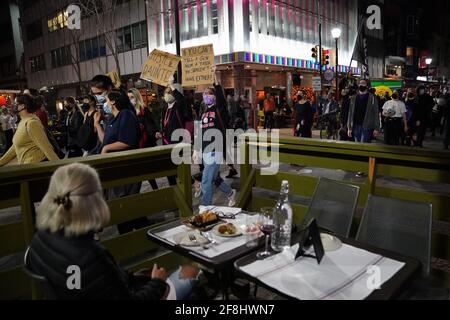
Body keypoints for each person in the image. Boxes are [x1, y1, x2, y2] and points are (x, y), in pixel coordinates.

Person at [26, 162, 201, 300]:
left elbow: (87, 284)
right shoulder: (88, 256)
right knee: (190, 272)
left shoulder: (40, 238)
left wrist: (126, 278)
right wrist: (157, 282)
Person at [94, 90, 146, 234]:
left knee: (125, 206)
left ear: (114, 102)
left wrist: (106, 149)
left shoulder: (126, 115)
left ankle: (131, 238)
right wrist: (97, 125)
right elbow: (105, 140)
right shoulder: (112, 118)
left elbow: (127, 141)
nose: (105, 103)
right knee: (126, 207)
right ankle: (141, 234)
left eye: (106, 100)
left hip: (127, 167)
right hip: (116, 170)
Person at [193, 66, 236, 207]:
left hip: (216, 148)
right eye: (204, 94)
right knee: (214, 178)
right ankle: (230, 193)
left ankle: (206, 209)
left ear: (214, 97)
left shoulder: (219, 109)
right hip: (205, 150)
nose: (206, 96)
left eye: (209, 94)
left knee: (205, 180)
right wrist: (195, 150)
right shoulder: (203, 113)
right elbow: (199, 132)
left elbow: (221, 97)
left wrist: (215, 77)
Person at [0, 94, 59, 166]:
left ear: (23, 106)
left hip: (35, 167)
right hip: (26, 167)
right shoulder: (22, 121)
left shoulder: (32, 123)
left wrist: (60, 169)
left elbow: (47, 148)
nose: (13, 105)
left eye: (16, 103)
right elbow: (15, 147)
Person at [156, 77, 189, 186]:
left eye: (169, 92)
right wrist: (160, 132)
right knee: (169, 169)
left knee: (179, 169)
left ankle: (192, 183)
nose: (167, 95)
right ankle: (174, 189)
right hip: (166, 141)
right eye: (166, 92)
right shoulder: (165, 108)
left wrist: (171, 85)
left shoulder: (178, 106)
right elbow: (164, 123)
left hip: (177, 141)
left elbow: (182, 100)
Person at [128, 88, 159, 191]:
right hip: (134, 144)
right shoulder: (127, 112)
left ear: (137, 97)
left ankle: (155, 189)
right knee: (142, 171)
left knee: (146, 170)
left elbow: (150, 125)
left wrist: (153, 132)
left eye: (132, 97)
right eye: (128, 98)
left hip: (145, 144)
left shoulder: (143, 110)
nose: (130, 100)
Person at [347, 79, 380, 143]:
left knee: (364, 146)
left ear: (367, 86)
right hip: (356, 126)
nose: (361, 85)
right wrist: (349, 127)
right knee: (357, 147)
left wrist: (376, 128)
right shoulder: (353, 98)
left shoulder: (372, 98)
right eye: (360, 83)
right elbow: (350, 113)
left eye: (363, 83)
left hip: (367, 126)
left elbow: (376, 113)